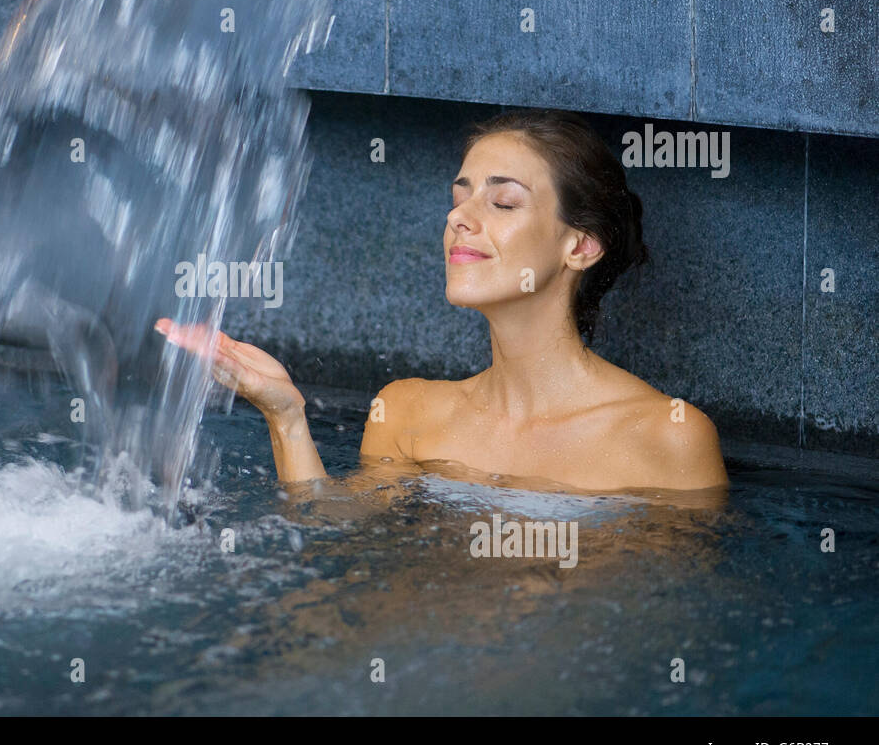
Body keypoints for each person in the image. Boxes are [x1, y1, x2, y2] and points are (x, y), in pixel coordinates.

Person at [155, 109, 729, 493]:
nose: (460, 217)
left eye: (502, 203)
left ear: (579, 246)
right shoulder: (407, 411)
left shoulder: (667, 435)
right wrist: (285, 415)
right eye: (460, 197)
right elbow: (331, 542)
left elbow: (668, 624)